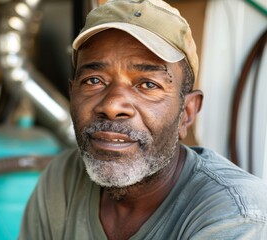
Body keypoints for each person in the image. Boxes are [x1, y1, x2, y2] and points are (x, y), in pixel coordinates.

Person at [19, 0, 267, 239]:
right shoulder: (62, 180)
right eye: (94, 81)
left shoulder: (235, 214)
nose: (113, 105)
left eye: (148, 84)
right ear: (72, 95)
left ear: (187, 112)